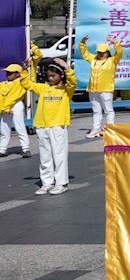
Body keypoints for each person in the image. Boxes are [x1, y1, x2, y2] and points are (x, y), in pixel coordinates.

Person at [22, 50, 75, 195]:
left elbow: (73, 81)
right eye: (49, 76)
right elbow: (27, 84)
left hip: (58, 125)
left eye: (53, 76)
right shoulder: (43, 88)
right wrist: (24, 70)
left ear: (61, 76)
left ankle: (61, 183)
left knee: (59, 154)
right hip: (41, 125)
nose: (50, 78)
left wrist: (66, 66)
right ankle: (47, 183)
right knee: (45, 156)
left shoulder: (66, 90)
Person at [79, 36, 123, 138]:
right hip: (93, 89)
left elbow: (119, 53)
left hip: (106, 89)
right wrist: (82, 43)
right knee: (96, 111)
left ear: (107, 52)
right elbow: (85, 53)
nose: (100, 54)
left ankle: (110, 129)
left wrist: (116, 43)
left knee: (108, 110)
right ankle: (96, 129)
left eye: (102, 52)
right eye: (99, 52)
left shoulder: (112, 60)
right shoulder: (93, 59)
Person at [0, 63, 31, 158]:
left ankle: (25, 149)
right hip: (5, 108)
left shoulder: (20, 82)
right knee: (4, 128)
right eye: (7, 72)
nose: (8, 74)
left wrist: (24, 70)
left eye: (11, 73)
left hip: (16, 105)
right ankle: (2, 149)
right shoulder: (2, 84)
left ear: (17, 74)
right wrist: (4, 108)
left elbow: (27, 78)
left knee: (20, 127)